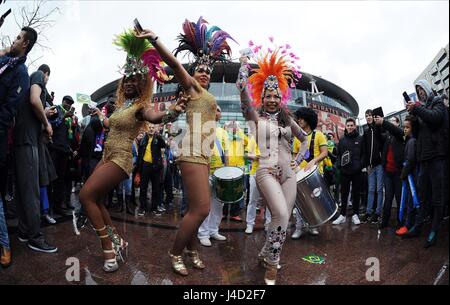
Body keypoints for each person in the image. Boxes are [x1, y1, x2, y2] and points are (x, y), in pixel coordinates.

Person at [135, 17, 235, 276]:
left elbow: (209, 120)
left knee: (195, 209)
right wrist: (153, 39)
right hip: (191, 151)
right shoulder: (191, 88)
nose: (204, 73)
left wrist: (216, 113)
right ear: (192, 75)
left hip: (204, 154)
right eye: (199, 70)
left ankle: (192, 250)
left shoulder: (207, 97)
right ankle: (175, 252)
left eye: (207, 71)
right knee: (202, 208)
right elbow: (174, 63)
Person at [79, 29, 186, 272]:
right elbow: (109, 125)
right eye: (126, 80)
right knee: (96, 199)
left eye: (133, 81)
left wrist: (172, 112)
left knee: (86, 196)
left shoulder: (140, 106)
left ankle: (108, 248)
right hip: (106, 156)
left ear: (141, 85)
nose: (128, 83)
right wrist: (99, 115)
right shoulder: (120, 107)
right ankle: (118, 240)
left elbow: (155, 117)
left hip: (121, 159)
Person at [237, 41, 307, 285]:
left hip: (289, 174)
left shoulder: (288, 120)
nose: (272, 99)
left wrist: (298, 160)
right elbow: (242, 90)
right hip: (266, 171)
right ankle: (273, 265)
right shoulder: (255, 118)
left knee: (283, 219)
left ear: (281, 97)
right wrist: (244, 66)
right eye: (268, 95)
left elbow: (305, 140)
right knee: (277, 211)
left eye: (276, 95)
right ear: (262, 96)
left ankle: (267, 253)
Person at [0, 27, 38, 264]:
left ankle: (4, 243)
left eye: (17, 38)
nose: (13, 40)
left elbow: (9, 110)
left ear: (25, 44)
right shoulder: (5, 61)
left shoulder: (22, 73)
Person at [402, 79, 448, 248]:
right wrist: (413, 115)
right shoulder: (421, 108)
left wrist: (418, 109)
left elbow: (435, 118)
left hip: (437, 159)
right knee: (423, 196)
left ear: (428, 89)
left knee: (437, 198)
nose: (420, 92)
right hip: (424, 160)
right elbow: (417, 132)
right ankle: (418, 227)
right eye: (417, 89)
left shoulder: (437, 102)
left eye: (421, 88)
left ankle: (434, 231)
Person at [291, 107, 329, 238]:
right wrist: (293, 163)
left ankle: (314, 226)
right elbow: (295, 155)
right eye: (299, 118)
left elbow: (325, 152)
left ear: (308, 119)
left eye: (301, 118)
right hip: (299, 174)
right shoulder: (297, 138)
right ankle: (299, 228)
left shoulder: (319, 135)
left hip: (315, 174)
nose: (299, 120)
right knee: (300, 202)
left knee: (315, 202)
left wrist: (314, 161)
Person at [197, 106, 228, 246]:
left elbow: (226, 152)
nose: (217, 112)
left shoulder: (223, 132)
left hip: (220, 173)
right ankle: (203, 233)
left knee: (218, 204)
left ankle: (213, 230)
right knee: (205, 204)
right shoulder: (203, 130)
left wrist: (226, 171)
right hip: (206, 172)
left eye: (219, 110)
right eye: (214, 109)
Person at [374, 116, 405, 229]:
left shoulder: (401, 134)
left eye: (393, 121)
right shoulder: (387, 136)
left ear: (397, 123)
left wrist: (384, 122)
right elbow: (377, 137)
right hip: (388, 172)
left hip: (398, 173)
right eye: (389, 121)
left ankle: (400, 221)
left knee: (399, 197)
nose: (390, 123)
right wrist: (377, 125)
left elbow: (396, 131)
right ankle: (385, 221)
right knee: (388, 197)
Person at [332, 117, 364, 225]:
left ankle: (355, 215)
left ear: (355, 126)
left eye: (352, 125)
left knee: (356, 194)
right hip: (345, 171)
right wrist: (339, 167)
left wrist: (360, 165)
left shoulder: (360, 139)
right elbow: (339, 155)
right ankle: (342, 215)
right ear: (346, 126)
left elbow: (363, 154)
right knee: (344, 194)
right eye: (348, 125)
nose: (350, 127)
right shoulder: (342, 140)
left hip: (356, 171)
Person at [135, 123, 167, 216]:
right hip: (145, 165)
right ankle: (142, 208)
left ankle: (154, 208)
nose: (151, 129)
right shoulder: (143, 139)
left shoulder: (158, 138)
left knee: (155, 188)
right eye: (150, 127)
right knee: (143, 188)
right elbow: (140, 154)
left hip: (156, 166)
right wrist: (138, 168)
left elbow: (163, 145)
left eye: (153, 127)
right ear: (147, 129)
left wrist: (159, 136)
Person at [361, 109, 385, 224]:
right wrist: (366, 164)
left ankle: (378, 212)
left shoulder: (378, 128)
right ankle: (369, 211)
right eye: (366, 116)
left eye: (370, 115)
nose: (368, 117)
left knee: (379, 189)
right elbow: (365, 150)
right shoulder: (365, 132)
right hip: (370, 166)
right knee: (370, 190)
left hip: (379, 164)